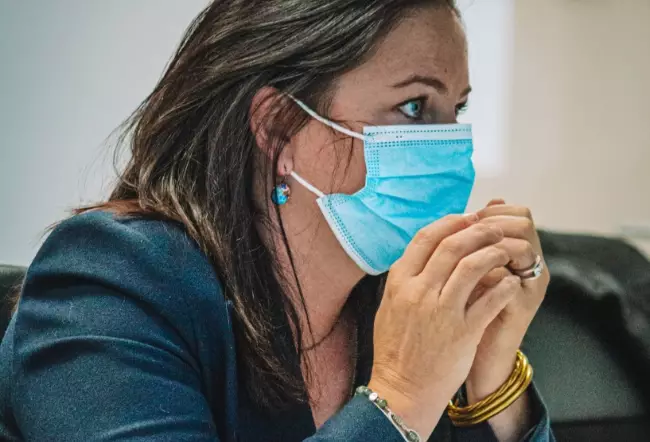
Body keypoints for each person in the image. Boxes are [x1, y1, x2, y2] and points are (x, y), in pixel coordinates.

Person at [0, 1, 555, 441]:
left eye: (455, 110)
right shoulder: (114, 282)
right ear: (280, 128)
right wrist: (401, 397)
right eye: (414, 107)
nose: (448, 143)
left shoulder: (394, 300)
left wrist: (493, 378)